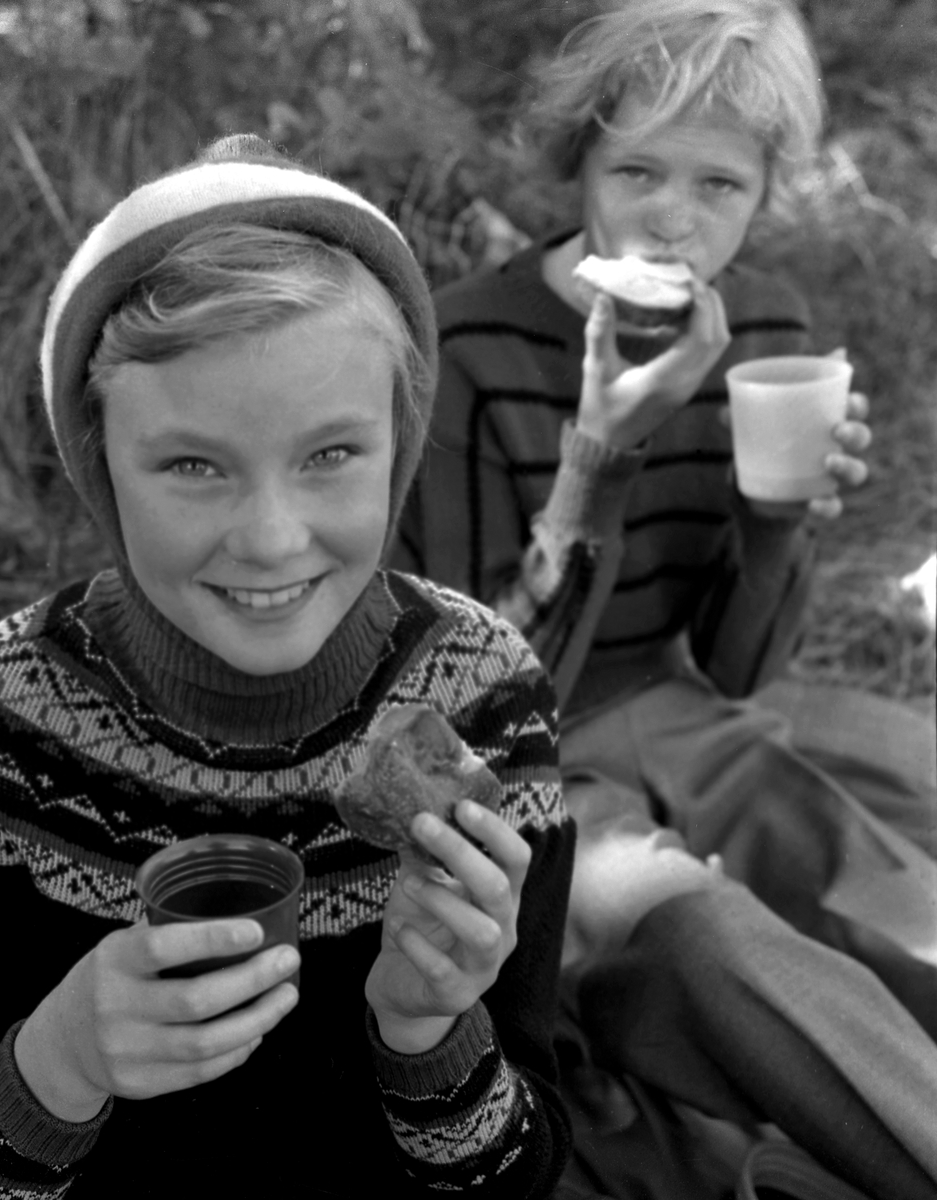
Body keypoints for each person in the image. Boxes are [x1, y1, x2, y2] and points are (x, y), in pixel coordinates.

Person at [0, 136, 577, 1198]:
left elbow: (520, 1175)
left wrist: (428, 1029)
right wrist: (59, 1065)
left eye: (331, 454)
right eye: (193, 465)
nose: (272, 540)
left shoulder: (484, 699)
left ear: (402, 441)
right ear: (100, 463)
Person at [390, 1, 937, 1197]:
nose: (673, 218)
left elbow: (738, 669)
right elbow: (476, 708)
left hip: (692, 709)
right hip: (538, 758)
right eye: (637, 169)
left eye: (719, 184)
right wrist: (600, 452)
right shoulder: (470, 352)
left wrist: (778, 520)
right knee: (707, 935)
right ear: (580, 159)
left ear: (765, 192)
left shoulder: (768, 332)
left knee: (902, 910)